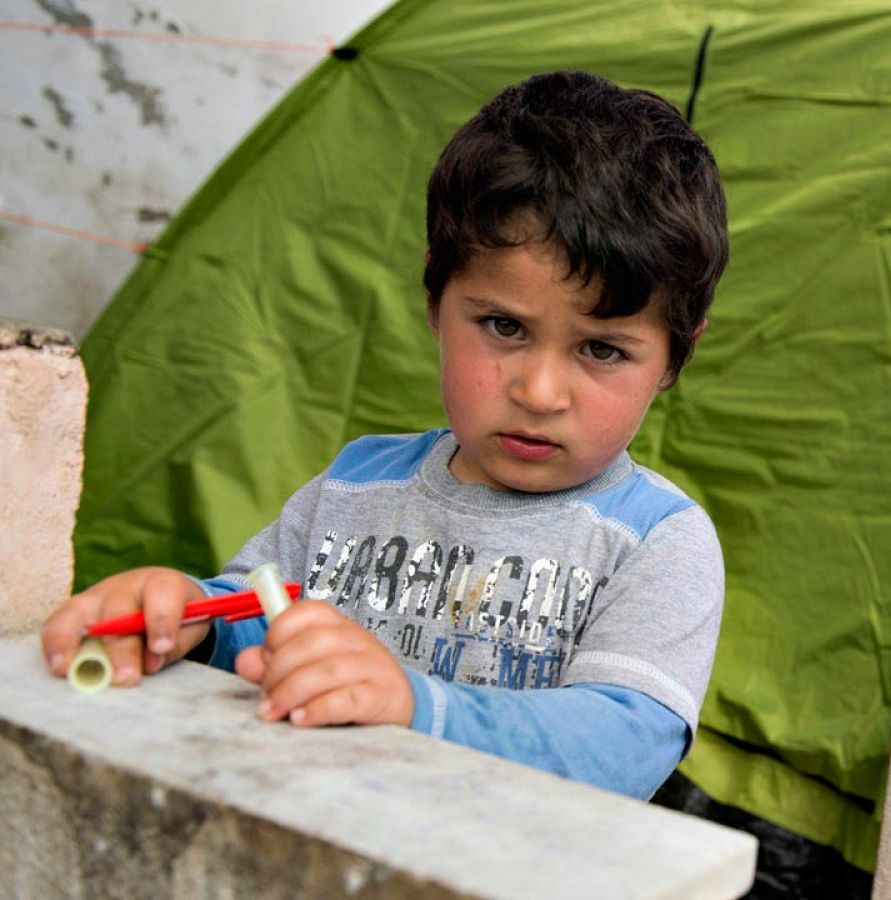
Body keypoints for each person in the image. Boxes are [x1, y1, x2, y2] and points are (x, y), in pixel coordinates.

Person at [39, 70, 730, 801]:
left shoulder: (656, 542)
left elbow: (623, 746)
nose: (539, 392)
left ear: (674, 356)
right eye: (503, 326)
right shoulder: (357, 484)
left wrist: (415, 707)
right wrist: (187, 616)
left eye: (602, 350)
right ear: (435, 298)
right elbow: (259, 616)